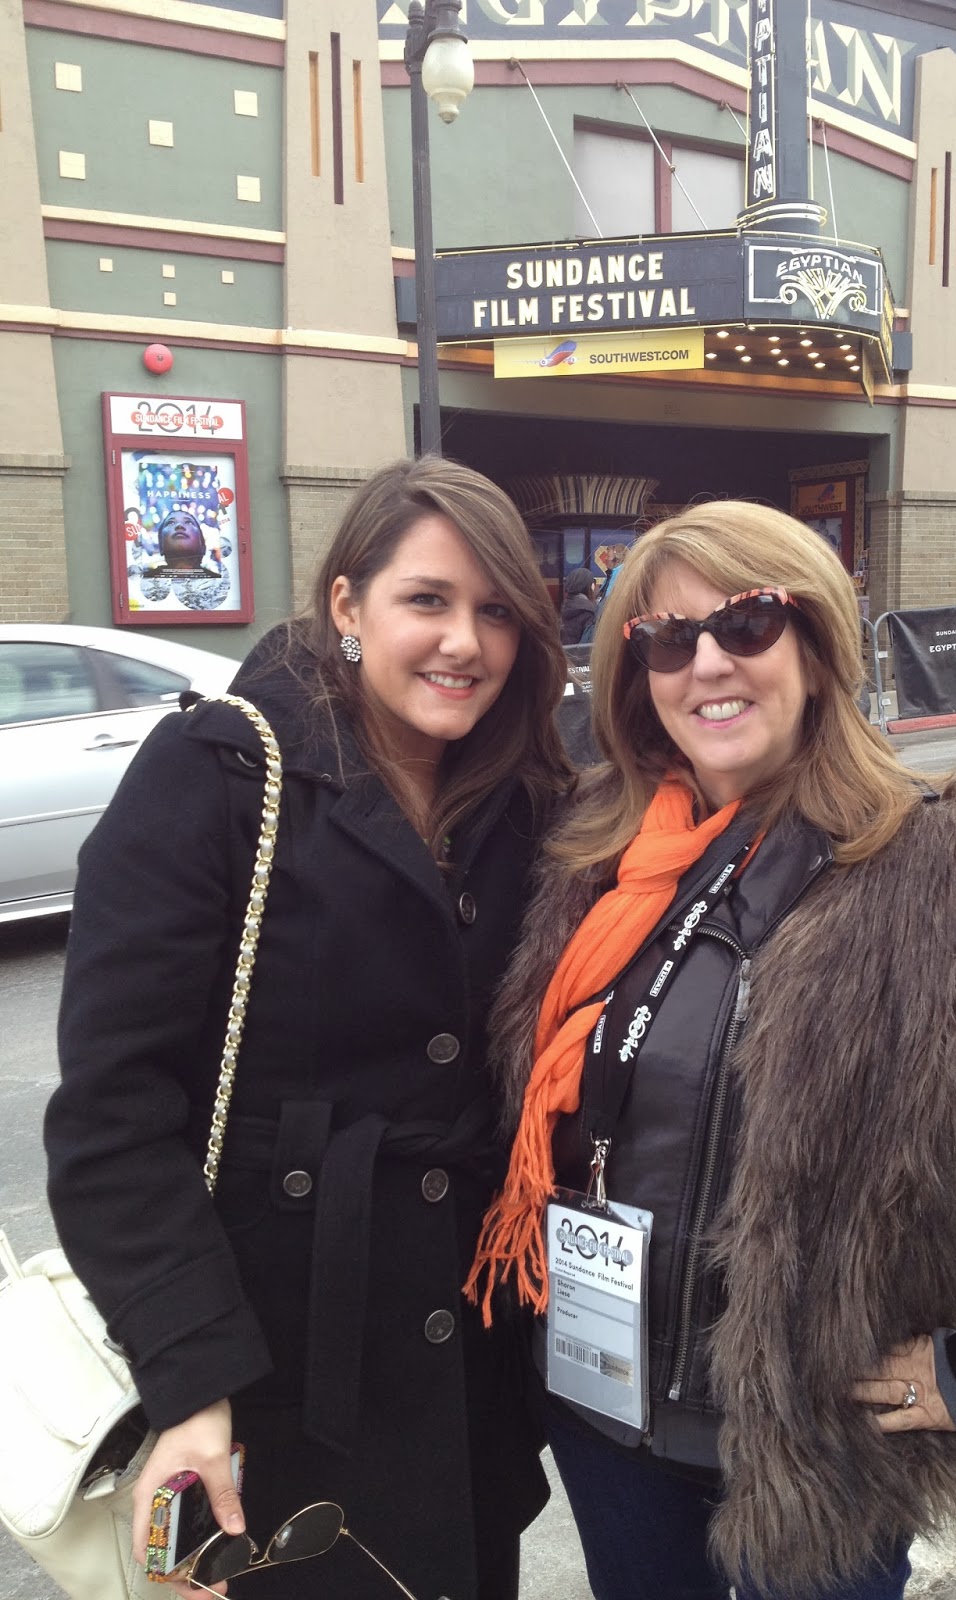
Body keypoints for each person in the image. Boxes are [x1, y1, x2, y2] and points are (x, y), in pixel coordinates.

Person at [466, 500, 956, 1600]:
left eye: (749, 623)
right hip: (605, 1424)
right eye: (669, 638)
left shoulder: (931, 873)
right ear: (638, 674)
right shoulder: (594, 861)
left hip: (812, 1472)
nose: (708, 661)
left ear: (817, 647)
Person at [44, 457, 572, 1600]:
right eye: (426, 599)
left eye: (495, 612)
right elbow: (111, 1114)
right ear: (348, 606)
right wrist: (188, 1379)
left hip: (470, 1363)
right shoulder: (221, 772)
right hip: (274, 1370)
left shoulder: (527, 796)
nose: (464, 642)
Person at [559, 567, 599, 646]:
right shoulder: (589, 612)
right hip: (580, 656)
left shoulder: (567, 605)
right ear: (587, 586)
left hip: (566, 653)